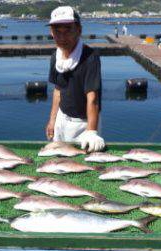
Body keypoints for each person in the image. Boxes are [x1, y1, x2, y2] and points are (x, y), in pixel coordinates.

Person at [45, 6, 105, 152]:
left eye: (68, 31)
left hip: (84, 123)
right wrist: (52, 121)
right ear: (51, 33)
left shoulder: (90, 57)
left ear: (79, 30)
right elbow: (58, 90)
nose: (62, 38)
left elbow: (93, 97)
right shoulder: (55, 57)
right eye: (57, 32)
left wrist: (91, 131)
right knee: (57, 163)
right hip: (62, 119)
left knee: (86, 163)